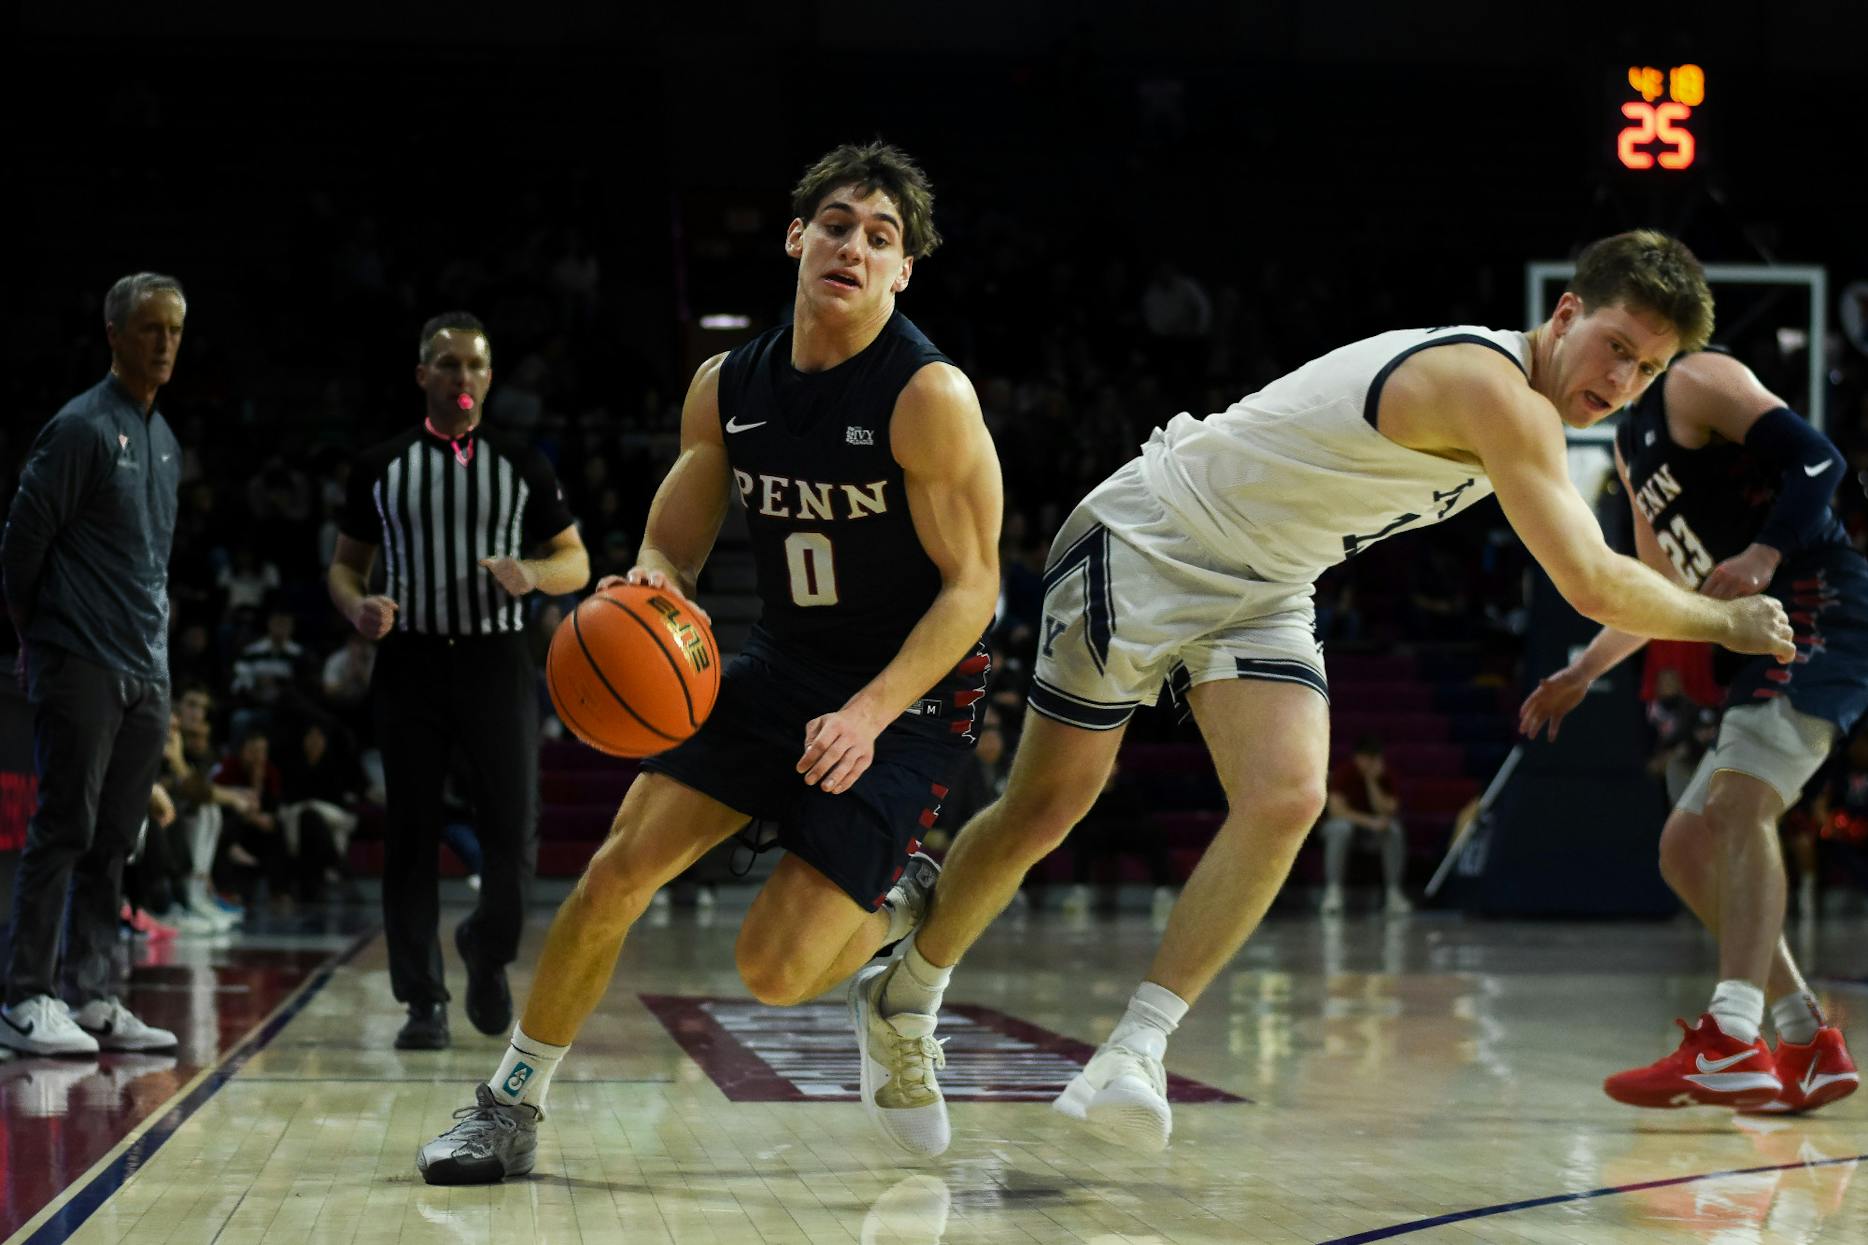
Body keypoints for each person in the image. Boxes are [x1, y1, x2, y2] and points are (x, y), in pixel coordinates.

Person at [855, 230, 1798, 1156]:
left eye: (1648, 368)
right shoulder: (1492, 389)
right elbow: (1590, 582)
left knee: (1289, 796)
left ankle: (1134, 1051)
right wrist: (1726, 622)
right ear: (1564, 314)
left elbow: (1603, 570)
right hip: (1156, 535)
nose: (1624, 380)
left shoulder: (1535, 411)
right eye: (1616, 349)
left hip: (1265, 581)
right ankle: (905, 998)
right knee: (1043, 811)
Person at [416, 141, 1001, 1184]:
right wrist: (644, 586)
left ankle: (902, 926)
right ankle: (509, 1104)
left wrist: (867, 712)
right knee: (611, 875)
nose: (853, 249)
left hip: (905, 698)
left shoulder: (926, 396)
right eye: (835, 225)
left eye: (881, 238)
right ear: (794, 237)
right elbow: (671, 547)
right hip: (781, 664)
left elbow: (972, 590)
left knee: (770, 974)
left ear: (902, 271)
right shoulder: (726, 385)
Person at [1520, 346, 1862, 1115]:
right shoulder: (1628, 441)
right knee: (1685, 846)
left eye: (1623, 356)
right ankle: (1806, 1042)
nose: (1607, 379)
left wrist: (1764, 549)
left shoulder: (1695, 379)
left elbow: (1821, 460)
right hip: (1768, 631)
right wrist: (1583, 672)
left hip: (1820, 606)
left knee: (1741, 805)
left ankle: (1735, 1036)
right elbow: (1660, 587)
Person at [327, 311, 586, 1050]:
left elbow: (577, 561)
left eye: (474, 365)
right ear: (423, 376)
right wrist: (357, 604)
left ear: (490, 377)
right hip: (408, 663)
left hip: (496, 665)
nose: (462, 377)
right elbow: (345, 565)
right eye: (447, 364)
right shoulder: (380, 467)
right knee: (409, 836)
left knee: (513, 835)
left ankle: (488, 946)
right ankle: (422, 1001)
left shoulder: (523, 465)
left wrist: (531, 573)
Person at [0, 272, 188, 1056]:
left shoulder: (166, 439)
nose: (165, 343)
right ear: (114, 334)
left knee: (116, 838)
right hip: (79, 659)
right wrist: (39, 639)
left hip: (146, 670)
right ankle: (24, 997)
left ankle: (97, 994)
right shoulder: (80, 428)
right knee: (63, 828)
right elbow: (20, 545)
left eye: (175, 331)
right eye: (150, 329)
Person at [1318, 735, 1412, 916]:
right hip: (1345, 831)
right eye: (1365, 758)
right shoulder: (1344, 773)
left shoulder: (1385, 776)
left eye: (1373, 759)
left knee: (1393, 830)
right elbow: (1336, 811)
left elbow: (1388, 810)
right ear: (1357, 757)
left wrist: (1371, 781)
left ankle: (1394, 893)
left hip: (1370, 836)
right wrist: (1370, 822)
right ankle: (1333, 892)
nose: (1368, 763)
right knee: (1341, 828)